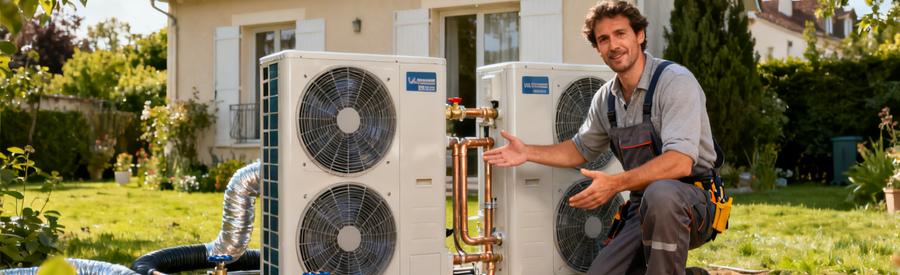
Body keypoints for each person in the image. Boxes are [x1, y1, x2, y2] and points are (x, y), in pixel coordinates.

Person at [482, 1, 727, 274]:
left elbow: (679, 163)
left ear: (640, 35)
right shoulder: (606, 99)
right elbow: (579, 149)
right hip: (642, 206)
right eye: (604, 39)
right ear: (598, 48)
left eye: (621, 34)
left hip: (694, 202)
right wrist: (528, 151)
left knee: (661, 194)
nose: (614, 45)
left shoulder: (675, 82)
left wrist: (615, 184)